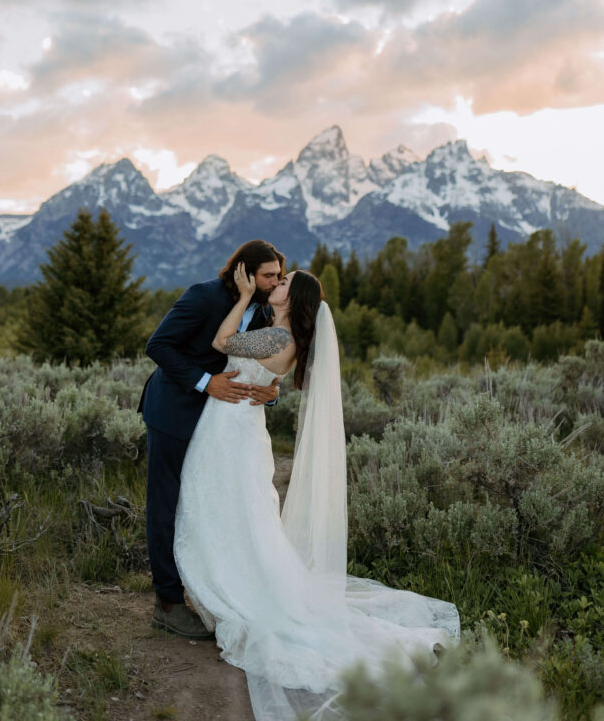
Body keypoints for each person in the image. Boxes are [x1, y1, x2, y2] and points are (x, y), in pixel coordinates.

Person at [174, 266, 460, 721]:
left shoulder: (277, 339)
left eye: (282, 283)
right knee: (237, 512)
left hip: (231, 432)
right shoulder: (282, 338)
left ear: (296, 299)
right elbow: (268, 385)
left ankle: (233, 586)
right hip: (236, 427)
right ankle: (230, 579)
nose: (275, 285)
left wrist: (245, 297)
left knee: (230, 510)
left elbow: (221, 344)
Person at [138, 239, 285, 640]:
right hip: (174, 412)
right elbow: (158, 345)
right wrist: (206, 383)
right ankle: (167, 603)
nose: (277, 281)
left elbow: (266, 365)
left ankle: (213, 590)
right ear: (244, 272)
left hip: (220, 426)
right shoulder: (203, 297)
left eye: (279, 275)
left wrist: (272, 392)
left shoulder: (267, 311)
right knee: (166, 503)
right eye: (269, 274)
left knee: (210, 505)